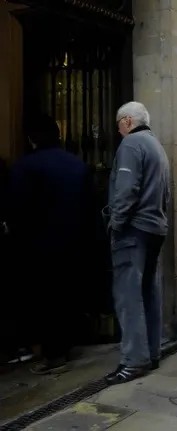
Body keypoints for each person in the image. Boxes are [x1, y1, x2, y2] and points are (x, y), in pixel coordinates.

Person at [7, 114, 90, 375]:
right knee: (67, 296)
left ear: (32, 138)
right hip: (73, 244)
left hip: (38, 246)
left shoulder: (26, 166)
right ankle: (65, 346)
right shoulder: (77, 165)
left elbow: (14, 208)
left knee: (42, 300)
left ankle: (50, 354)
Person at [103, 102, 171, 384]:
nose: (118, 131)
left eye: (119, 124)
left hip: (133, 230)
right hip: (155, 227)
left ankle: (134, 360)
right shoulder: (156, 146)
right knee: (149, 292)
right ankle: (151, 353)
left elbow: (126, 190)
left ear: (128, 121)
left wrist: (115, 225)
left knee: (129, 296)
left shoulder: (131, 145)